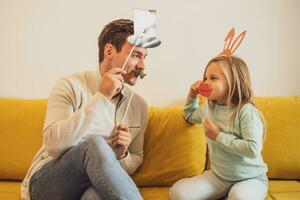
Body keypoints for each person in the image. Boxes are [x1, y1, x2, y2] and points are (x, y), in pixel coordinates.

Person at [21, 18, 159, 200]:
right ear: (109, 51)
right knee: (94, 145)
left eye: (144, 57)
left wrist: (122, 155)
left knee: (94, 196)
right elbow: (53, 145)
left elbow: (136, 159)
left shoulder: (139, 106)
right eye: (136, 55)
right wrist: (101, 97)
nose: (142, 66)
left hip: (94, 185)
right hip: (46, 184)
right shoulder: (70, 85)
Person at [169, 55, 268, 200]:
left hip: (251, 178)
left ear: (233, 82)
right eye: (205, 78)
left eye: (213, 78)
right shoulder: (208, 108)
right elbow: (189, 116)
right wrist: (192, 95)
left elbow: (253, 149)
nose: (206, 82)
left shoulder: (246, 111)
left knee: (240, 197)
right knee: (178, 193)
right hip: (219, 177)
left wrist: (218, 136)